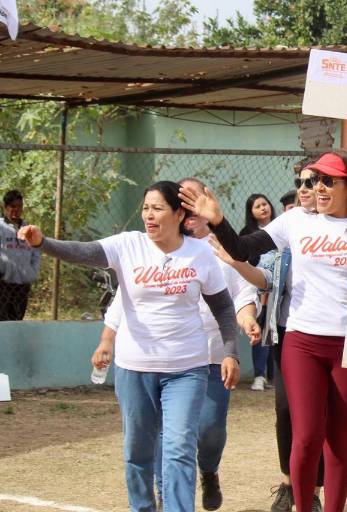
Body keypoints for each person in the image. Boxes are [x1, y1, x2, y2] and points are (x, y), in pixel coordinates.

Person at [180, 150, 347, 512]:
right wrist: (218, 222)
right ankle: (301, 505)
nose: (318, 188)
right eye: (314, 181)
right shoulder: (296, 220)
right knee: (307, 436)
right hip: (303, 344)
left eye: (329, 181)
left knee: (338, 441)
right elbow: (243, 249)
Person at [18, 181, 240, 511]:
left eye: (158, 209)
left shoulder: (200, 254)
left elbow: (223, 307)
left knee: (179, 447)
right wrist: (43, 243)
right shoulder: (128, 246)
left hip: (186, 369)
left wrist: (230, 352)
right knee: (138, 451)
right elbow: (84, 252)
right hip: (135, 369)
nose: (149, 216)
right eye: (146, 208)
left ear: (179, 214)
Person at [93, 177, 262, 512]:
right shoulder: (143, 248)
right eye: (186, 203)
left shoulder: (221, 247)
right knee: (169, 441)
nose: (192, 211)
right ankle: (166, 499)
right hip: (154, 361)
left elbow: (239, 297)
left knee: (209, 431)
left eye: (197, 202)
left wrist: (245, 325)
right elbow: (123, 304)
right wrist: (106, 340)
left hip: (209, 356)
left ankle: (209, 471)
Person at [264, 162, 326, 512]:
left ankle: (313, 490)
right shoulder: (284, 241)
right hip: (288, 334)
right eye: (299, 183)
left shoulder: (345, 231)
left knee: (317, 416)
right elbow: (255, 269)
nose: (304, 188)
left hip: (328, 335)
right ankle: (289, 484)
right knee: (287, 411)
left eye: (311, 182)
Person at [240, 193, 277, 391]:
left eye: (265, 203)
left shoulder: (281, 227)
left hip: (281, 289)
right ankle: (259, 376)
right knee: (262, 330)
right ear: (251, 213)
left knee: (275, 333)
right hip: (259, 289)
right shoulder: (247, 234)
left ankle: (274, 376)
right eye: (257, 206)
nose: (263, 208)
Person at [0, 190, 40, 320]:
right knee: (3, 319)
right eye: (12, 206)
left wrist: (32, 273)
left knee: (17, 317)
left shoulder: (28, 228)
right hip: (3, 282)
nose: (16, 210)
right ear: (5, 207)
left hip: (22, 282)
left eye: (19, 206)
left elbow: (35, 252)